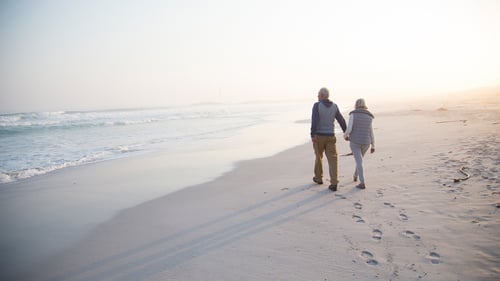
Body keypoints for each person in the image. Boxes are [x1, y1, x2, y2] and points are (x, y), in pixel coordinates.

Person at [310, 87, 347, 191]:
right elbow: (341, 120)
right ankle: (334, 182)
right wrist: (346, 132)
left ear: (322, 96)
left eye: (318, 95)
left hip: (319, 136)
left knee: (318, 157)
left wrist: (312, 134)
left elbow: (314, 120)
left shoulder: (317, 106)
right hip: (331, 135)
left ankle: (318, 178)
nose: (317, 97)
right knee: (333, 159)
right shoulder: (334, 106)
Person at [344, 98, 375, 189]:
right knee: (360, 160)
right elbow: (371, 132)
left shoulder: (353, 114)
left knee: (359, 161)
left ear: (356, 105)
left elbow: (349, 129)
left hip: (355, 142)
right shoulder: (369, 116)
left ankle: (362, 182)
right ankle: (355, 176)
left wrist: (345, 136)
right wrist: (373, 145)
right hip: (366, 142)